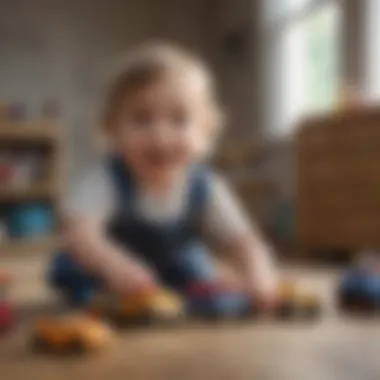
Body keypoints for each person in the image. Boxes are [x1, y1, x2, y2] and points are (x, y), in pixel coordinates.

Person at [50, 42, 277, 316]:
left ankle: (186, 292)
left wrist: (259, 274)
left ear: (205, 133)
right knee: (69, 266)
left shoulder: (207, 186)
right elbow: (78, 230)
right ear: (112, 129)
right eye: (141, 119)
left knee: (199, 269)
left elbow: (244, 241)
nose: (160, 136)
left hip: (174, 264)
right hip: (109, 264)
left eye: (179, 120)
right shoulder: (108, 179)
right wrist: (113, 265)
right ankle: (105, 294)